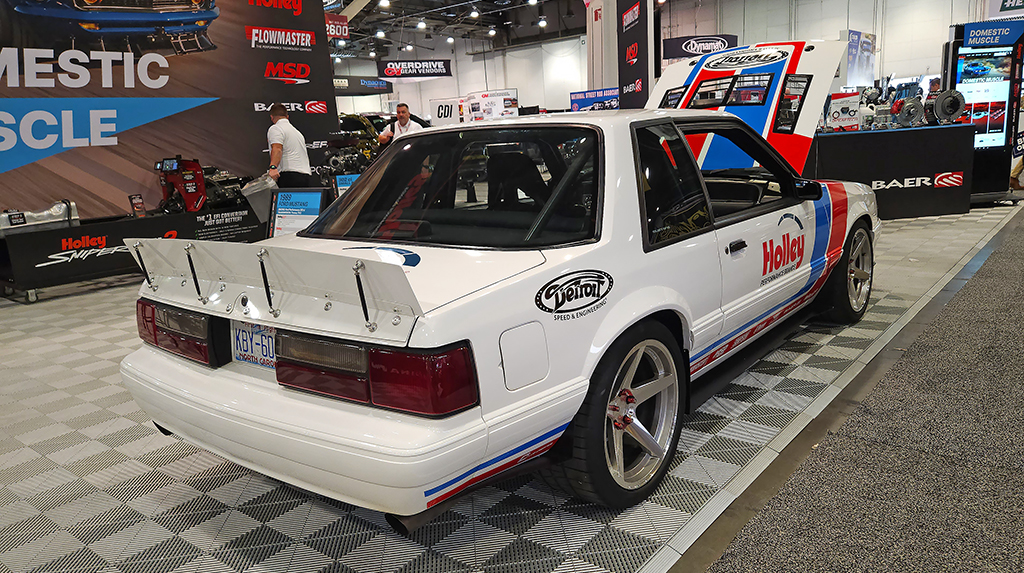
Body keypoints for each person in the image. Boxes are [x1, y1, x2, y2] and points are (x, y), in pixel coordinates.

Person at [267, 103, 314, 187]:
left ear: (271, 117)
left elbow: (277, 148)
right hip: (305, 177)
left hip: (290, 176)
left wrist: (273, 167)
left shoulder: (276, 128)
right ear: (287, 117)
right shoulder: (297, 133)